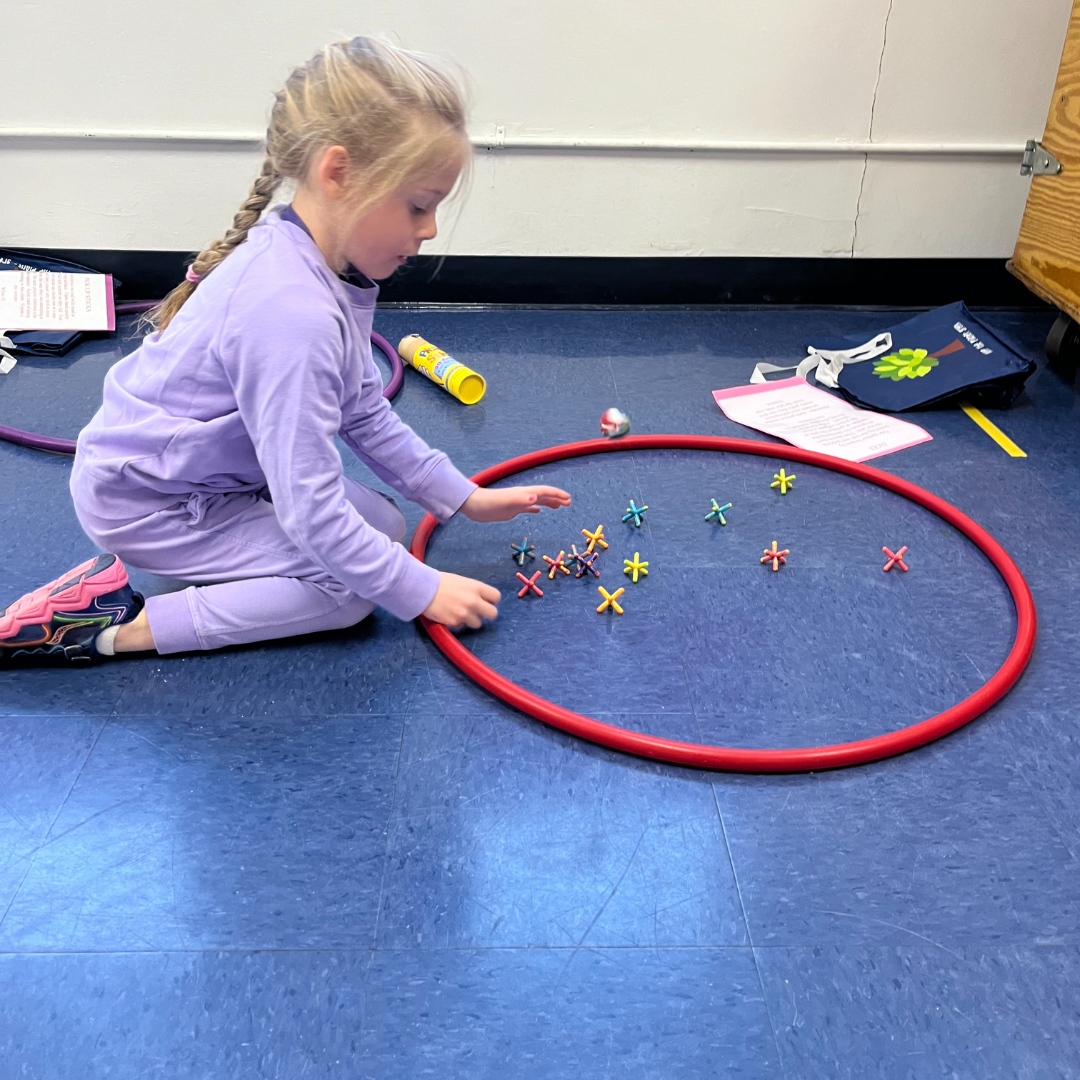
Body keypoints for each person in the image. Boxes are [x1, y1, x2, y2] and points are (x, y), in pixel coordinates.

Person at [0, 36, 569, 665]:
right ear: (338, 173)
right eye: (417, 205)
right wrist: (422, 590)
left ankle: (231, 555)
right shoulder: (289, 313)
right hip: (150, 506)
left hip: (198, 477)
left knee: (382, 528)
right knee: (348, 591)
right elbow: (312, 512)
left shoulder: (327, 265)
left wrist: (463, 496)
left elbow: (362, 409)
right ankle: (108, 627)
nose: (429, 229)